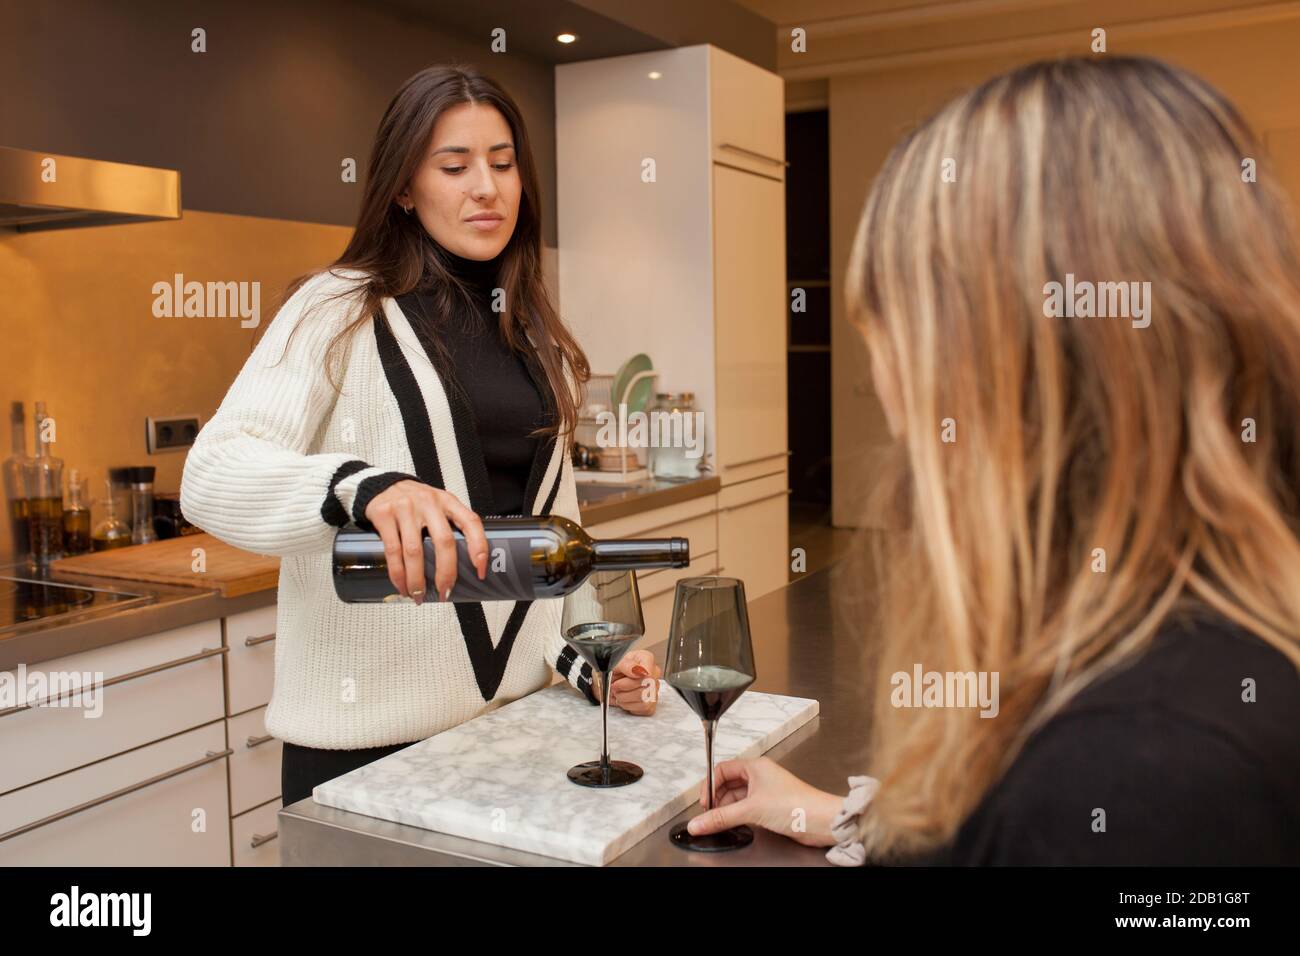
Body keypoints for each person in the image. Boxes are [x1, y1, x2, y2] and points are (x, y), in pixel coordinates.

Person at [684, 56, 1300, 865]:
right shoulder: (1173, 658)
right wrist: (835, 817)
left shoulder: (1138, 773)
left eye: (895, 324)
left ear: (1005, 362)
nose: (882, 380)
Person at [180, 66, 660, 808]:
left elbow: (545, 550)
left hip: (515, 740)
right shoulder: (336, 307)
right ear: (404, 187)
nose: (487, 187)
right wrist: (364, 488)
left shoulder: (530, 332)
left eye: (503, 164)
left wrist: (592, 663)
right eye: (454, 165)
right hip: (366, 757)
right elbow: (212, 473)